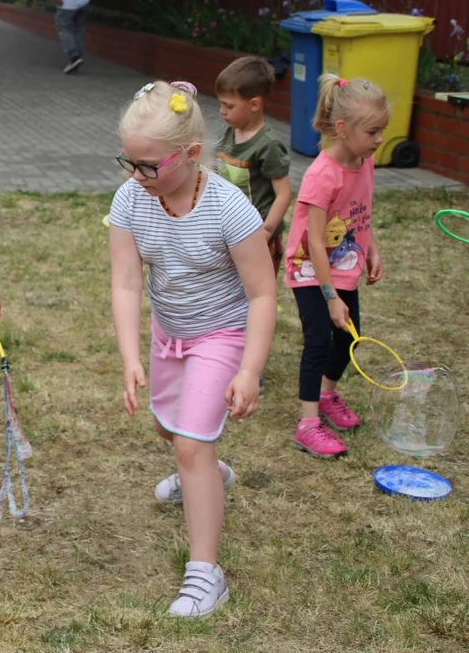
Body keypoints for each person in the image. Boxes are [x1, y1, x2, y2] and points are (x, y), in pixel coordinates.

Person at [108, 81, 276, 617]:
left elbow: (263, 293)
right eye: (129, 162)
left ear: (193, 154)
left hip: (220, 335)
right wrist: (132, 356)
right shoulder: (132, 197)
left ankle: (207, 575)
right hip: (169, 335)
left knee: (189, 446)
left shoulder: (230, 207)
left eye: (150, 165)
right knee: (170, 428)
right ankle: (208, 472)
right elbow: (127, 282)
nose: (137, 175)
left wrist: (250, 370)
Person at [284, 76, 388, 458]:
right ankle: (308, 424)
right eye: (373, 131)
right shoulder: (321, 175)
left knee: (348, 337)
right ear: (342, 129)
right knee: (319, 341)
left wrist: (372, 247)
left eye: (382, 131)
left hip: (343, 265)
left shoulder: (366, 161)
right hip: (310, 270)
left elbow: (359, 214)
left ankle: (328, 394)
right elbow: (313, 243)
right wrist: (330, 298)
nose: (379, 139)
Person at [215, 56, 293, 275]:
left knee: (256, 292)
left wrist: (266, 232)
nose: (222, 111)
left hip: (257, 234)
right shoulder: (227, 133)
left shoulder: (268, 145)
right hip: (229, 229)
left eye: (229, 105)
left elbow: (284, 194)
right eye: (221, 103)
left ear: (255, 104)